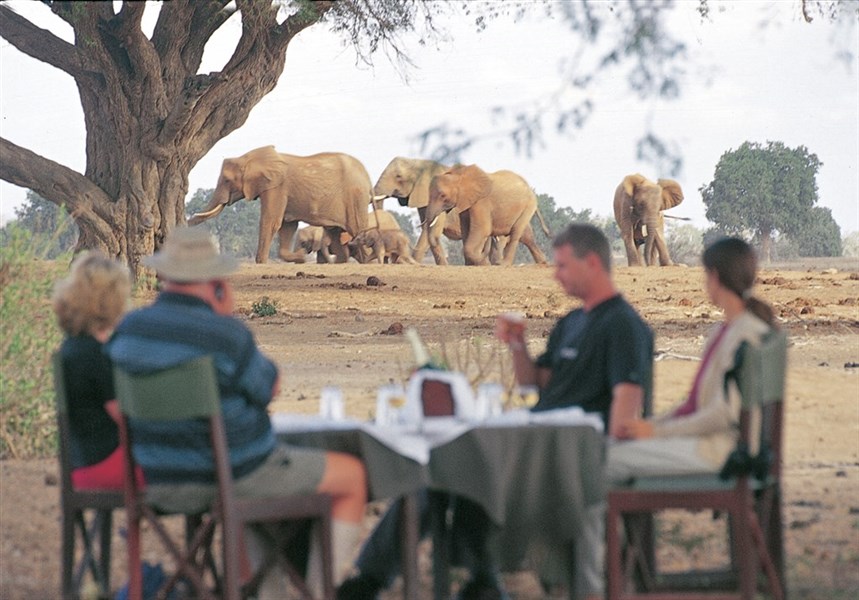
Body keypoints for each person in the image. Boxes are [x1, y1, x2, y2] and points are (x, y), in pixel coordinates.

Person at [338, 223, 653, 600]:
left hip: (568, 450)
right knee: (437, 469)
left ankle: (482, 579)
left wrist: (601, 455)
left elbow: (626, 411)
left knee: (462, 470)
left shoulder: (624, 325)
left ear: (593, 263)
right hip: (535, 434)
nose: (556, 274)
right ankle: (402, 577)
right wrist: (518, 345)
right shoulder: (572, 322)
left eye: (563, 266)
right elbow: (533, 383)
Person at [106, 227, 368, 593]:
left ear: (164, 275)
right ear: (215, 279)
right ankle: (319, 592)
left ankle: (268, 592)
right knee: (352, 476)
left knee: (255, 481)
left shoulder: (130, 330)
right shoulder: (224, 334)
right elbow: (268, 388)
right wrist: (226, 316)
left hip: (159, 479)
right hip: (231, 477)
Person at [608, 236, 778, 482]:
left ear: (715, 277)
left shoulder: (745, 336)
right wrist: (650, 426)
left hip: (718, 451)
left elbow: (721, 415)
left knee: (606, 460)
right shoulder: (726, 330)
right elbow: (694, 404)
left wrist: (656, 431)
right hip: (708, 442)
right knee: (610, 453)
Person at [52, 250, 142, 490]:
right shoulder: (97, 355)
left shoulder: (71, 348)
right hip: (106, 466)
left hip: (79, 465)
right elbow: (125, 417)